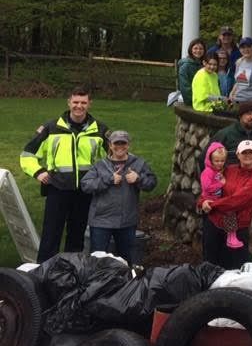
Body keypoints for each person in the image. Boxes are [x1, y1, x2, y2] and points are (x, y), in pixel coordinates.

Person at [21, 87, 110, 262]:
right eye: (76, 102)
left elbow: (113, 158)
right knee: (51, 235)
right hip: (57, 188)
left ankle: (72, 272)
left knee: (76, 236)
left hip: (85, 191)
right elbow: (27, 155)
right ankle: (44, 272)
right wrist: (38, 172)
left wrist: (104, 179)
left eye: (83, 102)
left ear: (89, 104)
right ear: (69, 102)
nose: (79, 106)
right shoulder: (51, 128)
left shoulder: (100, 130)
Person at [80, 130, 157, 263]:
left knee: (126, 261)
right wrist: (108, 179)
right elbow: (86, 185)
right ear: (110, 145)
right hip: (101, 220)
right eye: (116, 143)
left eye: (123, 143)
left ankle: (125, 283)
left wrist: (139, 178)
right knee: (97, 261)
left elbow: (152, 183)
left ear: (128, 145)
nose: (120, 147)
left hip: (126, 221)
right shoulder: (100, 165)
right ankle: (96, 283)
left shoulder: (139, 164)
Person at [198, 139, 252, 268]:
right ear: (238, 155)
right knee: (210, 265)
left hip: (237, 229)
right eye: (244, 152)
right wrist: (202, 201)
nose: (247, 155)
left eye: (251, 152)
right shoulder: (229, 169)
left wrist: (212, 205)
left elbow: (237, 201)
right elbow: (211, 188)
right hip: (215, 223)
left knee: (234, 269)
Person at [199, 142, 243, 249]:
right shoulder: (207, 172)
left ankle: (231, 236)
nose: (219, 163)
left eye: (222, 161)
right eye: (217, 161)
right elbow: (207, 187)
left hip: (217, 198)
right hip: (210, 199)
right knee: (228, 212)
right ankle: (231, 236)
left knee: (230, 211)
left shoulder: (219, 170)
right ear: (210, 160)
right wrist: (220, 184)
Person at [230, 37, 252, 104]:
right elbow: (237, 82)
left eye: (248, 47)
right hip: (237, 99)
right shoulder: (239, 62)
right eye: (243, 47)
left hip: (251, 101)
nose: (246, 49)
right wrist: (232, 93)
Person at [177, 38, 206, 106]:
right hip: (191, 102)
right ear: (191, 50)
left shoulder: (204, 65)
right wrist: (194, 101)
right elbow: (185, 87)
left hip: (204, 101)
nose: (198, 51)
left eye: (201, 48)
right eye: (195, 48)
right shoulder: (185, 66)